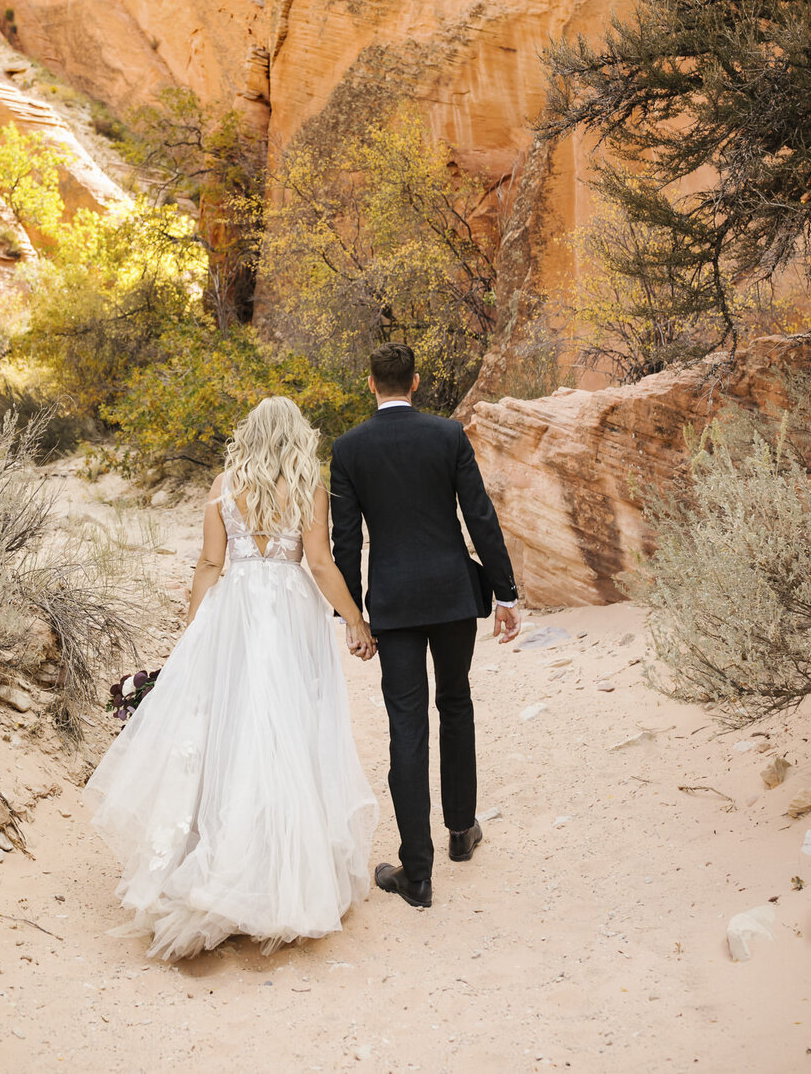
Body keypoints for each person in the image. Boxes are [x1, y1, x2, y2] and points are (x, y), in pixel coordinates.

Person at [85, 396, 379, 959]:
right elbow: (319, 563)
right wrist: (354, 620)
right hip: (290, 610)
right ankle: (279, 871)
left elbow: (209, 564)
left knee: (233, 729)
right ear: (297, 435)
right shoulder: (308, 487)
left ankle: (225, 857)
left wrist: (194, 631)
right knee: (288, 730)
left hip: (236, 611)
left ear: (250, 432)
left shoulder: (225, 485)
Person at [330, 342, 520, 909]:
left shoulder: (348, 448)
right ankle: (461, 832)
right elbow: (479, 514)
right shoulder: (447, 435)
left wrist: (353, 616)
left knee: (405, 726)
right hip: (451, 594)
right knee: (456, 704)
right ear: (414, 383)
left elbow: (347, 541)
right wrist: (506, 593)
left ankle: (417, 874)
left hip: (393, 604)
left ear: (371, 384)